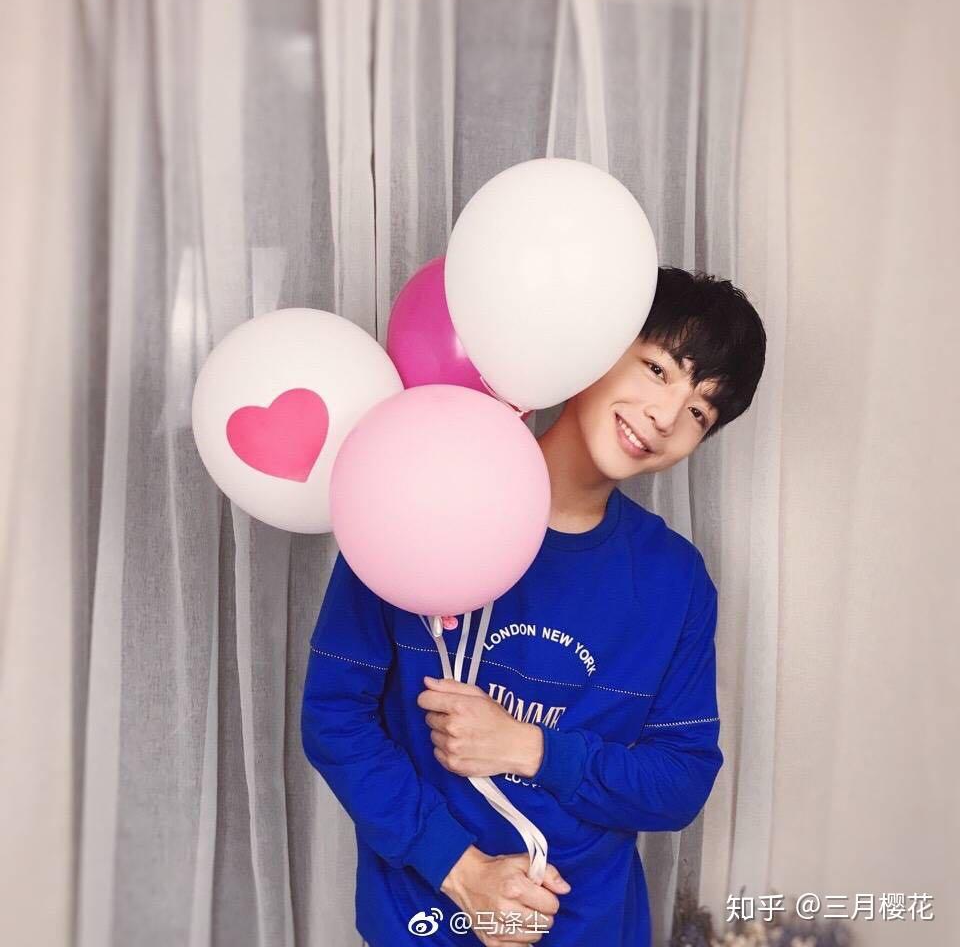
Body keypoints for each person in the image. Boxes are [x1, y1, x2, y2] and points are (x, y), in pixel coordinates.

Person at [301, 266, 767, 946]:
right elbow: (334, 716)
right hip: (422, 921)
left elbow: (681, 780)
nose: (666, 417)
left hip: (592, 927)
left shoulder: (676, 579)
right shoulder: (416, 489)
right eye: (658, 369)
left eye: (700, 412)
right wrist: (461, 871)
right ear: (592, 348)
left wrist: (530, 748)